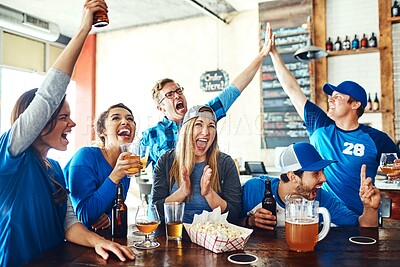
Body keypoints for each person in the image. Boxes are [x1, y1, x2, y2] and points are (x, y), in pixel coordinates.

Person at [0, 1, 135, 265]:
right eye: (64, 117)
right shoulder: (10, 156)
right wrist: (84, 29)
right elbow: (48, 96)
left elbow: (69, 224)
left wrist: (99, 241)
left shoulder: (55, 169)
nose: (72, 124)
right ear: (39, 123)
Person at [268, 33, 399, 215]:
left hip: (360, 221)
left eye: (338, 97)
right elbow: (292, 90)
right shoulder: (320, 125)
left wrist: (397, 172)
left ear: (355, 104)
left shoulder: (377, 139)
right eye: (331, 96)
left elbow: (396, 170)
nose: (331, 100)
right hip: (319, 215)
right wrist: (274, 53)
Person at [141, 23, 275, 169]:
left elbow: (234, 89)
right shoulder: (150, 136)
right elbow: (129, 166)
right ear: (161, 108)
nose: (177, 96)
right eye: (169, 95)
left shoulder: (203, 115)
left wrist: (262, 55)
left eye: (179, 91)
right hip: (169, 192)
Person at [239, 142, 380, 230]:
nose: (323, 178)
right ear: (292, 176)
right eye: (315, 173)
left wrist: (370, 208)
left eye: (323, 172)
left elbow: (363, 226)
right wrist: (249, 221)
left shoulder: (322, 197)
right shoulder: (255, 189)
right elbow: (224, 222)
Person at [151, 105, 242, 223]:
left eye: (211, 126)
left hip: (211, 236)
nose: (205, 132)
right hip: (175, 235)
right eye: (198, 124)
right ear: (186, 130)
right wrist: (182, 192)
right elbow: (156, 210)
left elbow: (234, 214)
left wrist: (209, 193)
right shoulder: (166, 161)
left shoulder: (226, 163)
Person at [64, 103, 141, 230]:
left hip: (102, 240)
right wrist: (116, 175)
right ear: (102, 131)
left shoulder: (126, 165)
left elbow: (114, 210)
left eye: (130, 119)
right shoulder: (85, 156)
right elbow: (85, 216)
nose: (125, 122)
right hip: (74, 242)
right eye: (116, 118)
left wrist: (109, 218)